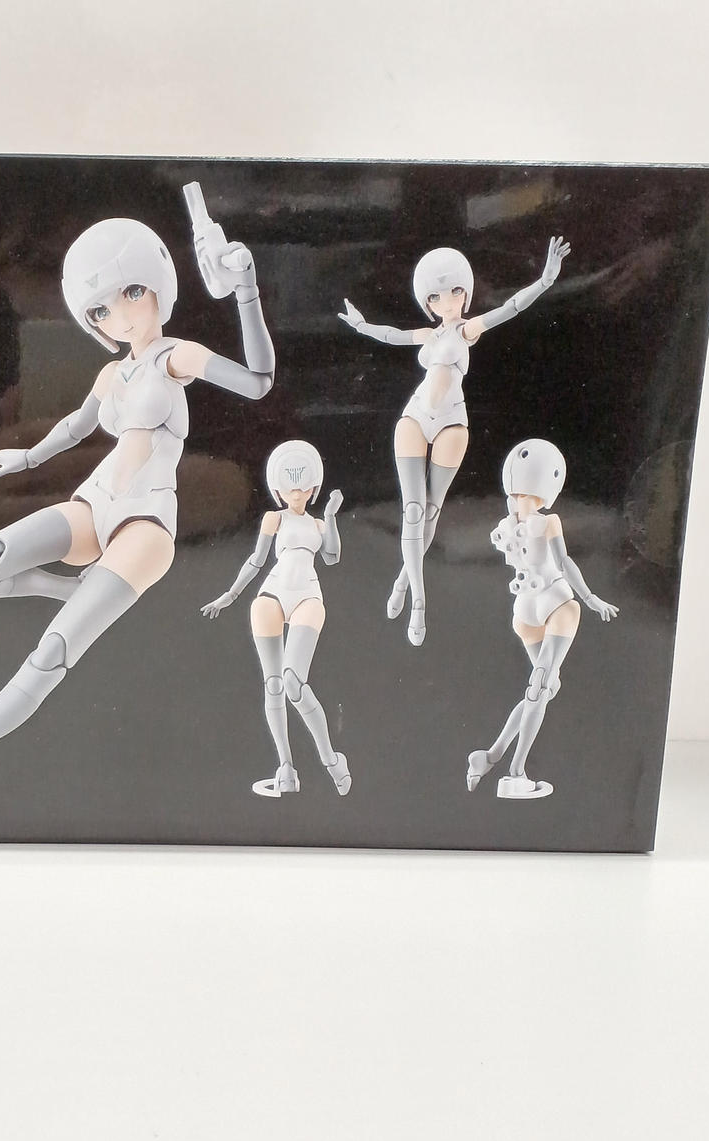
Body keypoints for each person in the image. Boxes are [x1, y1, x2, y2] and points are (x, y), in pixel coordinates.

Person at [0, 205, 276, 828]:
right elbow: (77, 425)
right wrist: (27, 457)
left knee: (49, 656)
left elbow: (257, 382)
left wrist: (246, 287)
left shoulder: (177, 357)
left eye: (132, 292)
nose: (121, 314)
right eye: (100, 310)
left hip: (145, 523)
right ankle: (62, 589)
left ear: (159, 284)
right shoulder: (112, 372)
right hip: (95, 503)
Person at [338, 236, 571, 646]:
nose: (447, 302)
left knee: (430, 511)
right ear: (427, 302)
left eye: (455, 292)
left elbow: (510, 308)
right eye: (436, 296)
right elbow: (391, 335)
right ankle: (419, 602)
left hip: (451, 423)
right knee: (413, 510)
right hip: (415, 416)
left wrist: (545, 281)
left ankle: (403, 580)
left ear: (465, 294)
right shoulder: (427, 335)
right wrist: (361, 326)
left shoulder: (467, 330)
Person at [467, 439, 618, 799]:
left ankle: (491, 755)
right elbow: (564, 563)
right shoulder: (547, 521)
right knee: (538, 688)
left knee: (546, 687)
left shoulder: (507, 523)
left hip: (524, 610)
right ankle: (516, 772)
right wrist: (590, 597)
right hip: (555, 602)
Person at [200, 441, 350, 797]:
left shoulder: (317, 524)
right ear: (279, 490)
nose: (296, 493)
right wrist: (230, 594)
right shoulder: (274, 518)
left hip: (307, 596)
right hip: (273, 593)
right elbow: (256, 560)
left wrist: (331, 517)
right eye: (290, 488)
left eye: (303, 487)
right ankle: (285, 765)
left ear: (312, 489)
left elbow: (332, 557)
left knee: (294, 682)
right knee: (274, 685)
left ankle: (330, 759)